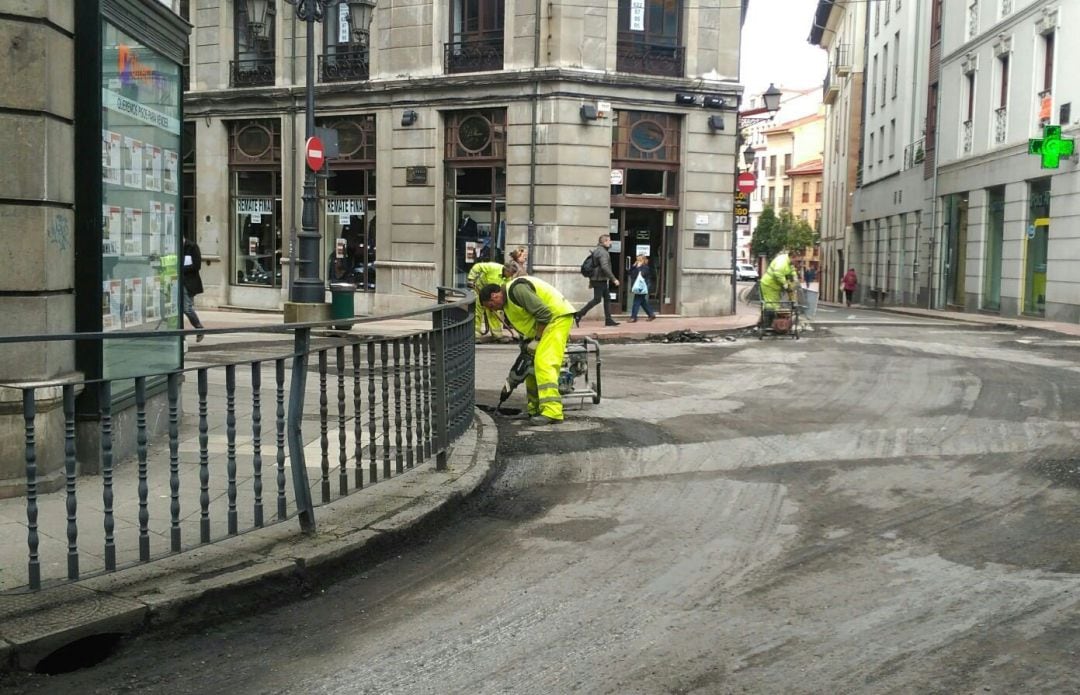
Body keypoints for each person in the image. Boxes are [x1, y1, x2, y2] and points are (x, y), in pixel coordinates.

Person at [480, 276, 576, 425]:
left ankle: (552, 411)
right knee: (530, 367)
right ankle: (535, 409)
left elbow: (544, 314)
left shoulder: (516, 290)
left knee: (544, 363)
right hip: (544, 325)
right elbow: (527, 324)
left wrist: (537, 340)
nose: (494, 310)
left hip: (557, 319)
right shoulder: (507, 305)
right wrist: (526, 349)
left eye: (491, 305)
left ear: (495, 295)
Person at [575, 234, 620, 326]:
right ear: (604, 242)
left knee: (607, 298)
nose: (611, 242)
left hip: (599, 278)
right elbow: (604, 267)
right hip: (599, 279)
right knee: (597, 299)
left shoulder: (599, 250)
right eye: (609, 240)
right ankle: (579, 314)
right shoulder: (603, 252)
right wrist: (613, 279)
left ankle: (608, 320)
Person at [467, 260, 513, 342]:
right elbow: (478, 266)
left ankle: (497, 335)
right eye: (511, 273)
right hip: (479, 290)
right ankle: (475, 335)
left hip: (492, 297)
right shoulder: (493, 267)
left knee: (494, 313)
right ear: (506, 270)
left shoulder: (508, 279)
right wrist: (471, 278)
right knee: (477, 312)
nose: (511, 275)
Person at [759, 249, 799, 319]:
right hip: (769, 285)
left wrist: (795, 277)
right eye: (796, 260)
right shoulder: (782, 262)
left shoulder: (789, 261)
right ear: (792, 257)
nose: (796, 262)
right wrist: (785, 285)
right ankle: (767, 323)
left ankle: (770, 323)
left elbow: (792, 269)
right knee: (770, 305)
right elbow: (778, 273)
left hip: (774, 286)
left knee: (775, 304)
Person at [181, 233, 205, 342]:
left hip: (189, 282)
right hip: (175, 281)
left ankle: (199, 328)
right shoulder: (174, 247)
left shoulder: (192, 247)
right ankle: (180, 333)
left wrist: (181, 268)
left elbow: (197, 265)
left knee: (187, 308)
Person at [627, 254, 657, 323]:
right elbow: (630, 273)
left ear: (643, 260)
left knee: (636, 302)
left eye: (639, 260)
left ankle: (633, 317)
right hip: (638, 287)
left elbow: (642, 274)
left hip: (642, 287)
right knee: (643, 302)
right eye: (637, 260)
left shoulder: (645, 267)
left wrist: (638, 267)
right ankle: (651, 314)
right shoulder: (636, 267)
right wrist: (633, 266)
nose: (638, 261)